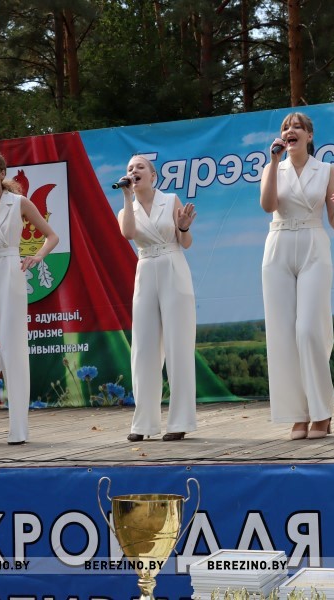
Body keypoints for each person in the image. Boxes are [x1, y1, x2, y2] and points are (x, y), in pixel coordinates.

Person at [260, 112, 334, 440]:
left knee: (309, 330)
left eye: (297, 127)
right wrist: (273, 162)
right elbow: (268, 205)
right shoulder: (273, 167)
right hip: (278, 245)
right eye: (286, 127)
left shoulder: (325, 170)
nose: (290, 131)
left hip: (313, 245)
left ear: (309, 136)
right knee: (282, 334)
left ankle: (322, 413)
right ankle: (298, 415)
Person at [0, 150, 59, 446]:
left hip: (10, 267)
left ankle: (18, 429)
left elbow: (52, 236)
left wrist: (37, 257)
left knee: (13, 347)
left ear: (2, 173)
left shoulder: (19, 202)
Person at [117, 154, 197, 442]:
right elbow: (128, 233)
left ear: (153, 176)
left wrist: (184, 227)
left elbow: (185, 242)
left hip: (173, 266)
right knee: (144, 349)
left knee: (178, 346)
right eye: (130, 168)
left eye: (140, 167)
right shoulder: (126, 209)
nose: (133, 171)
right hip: (146, 270)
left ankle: (180, 421)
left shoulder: (170, 200)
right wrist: (128, 196)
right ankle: (144, 423)